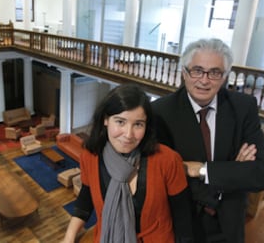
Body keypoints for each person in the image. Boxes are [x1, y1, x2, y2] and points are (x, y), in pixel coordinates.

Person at [152, 38, 264, 243]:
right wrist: (233, 171)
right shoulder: (160, 112)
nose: (204, 80)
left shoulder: (243, 107)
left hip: (229, 224)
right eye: (197, 70)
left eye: (215, 73)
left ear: (225, 76)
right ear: (184, 73)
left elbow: (263, 173)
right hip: (182, 225)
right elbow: (163, 176)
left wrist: (202, 170)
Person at [61, 84, 194, 243]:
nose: (129, 135)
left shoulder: (168, 160)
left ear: (146, 126)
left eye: (138, 124)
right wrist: (68, 238)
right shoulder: (90, 156)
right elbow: (86, 199)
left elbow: (183, 220)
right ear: (105, 119)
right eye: (120, 122)